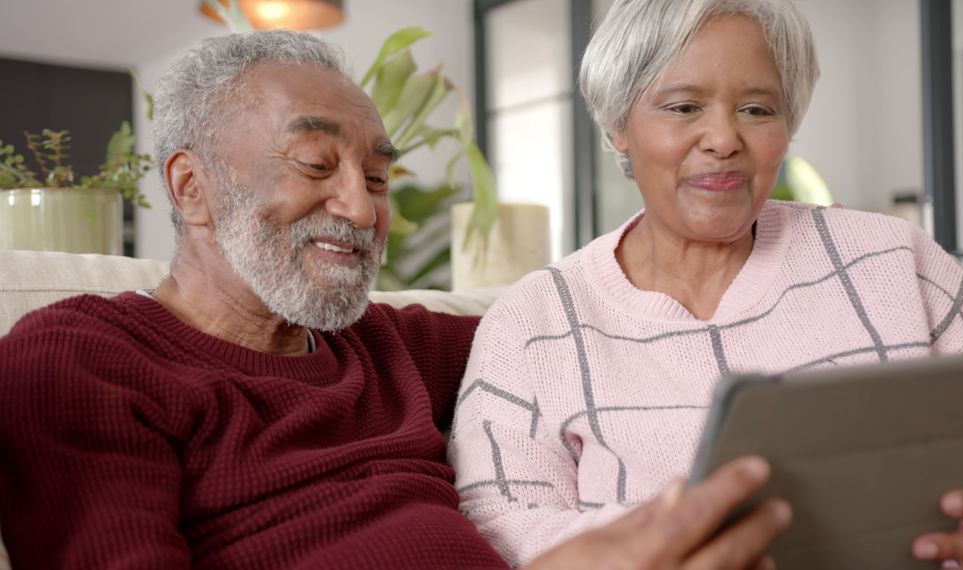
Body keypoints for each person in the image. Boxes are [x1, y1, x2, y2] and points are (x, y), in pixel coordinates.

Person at [0, 31, 791, 569]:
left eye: (377, 178)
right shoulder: (82, 361)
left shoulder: (390, 345)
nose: (360, 207)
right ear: (192, 188)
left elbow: (598, 329)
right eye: (316, 163)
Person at [447, 0, 963, 568]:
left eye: (757, 109)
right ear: (619, 124)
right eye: (684, 107)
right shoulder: (533, 321)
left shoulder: (892, 258)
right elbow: (500, 525)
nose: (724, 140)